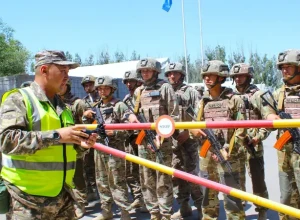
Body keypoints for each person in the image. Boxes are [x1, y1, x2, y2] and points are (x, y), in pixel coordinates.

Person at [0, 50, 97, 219]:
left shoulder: (64, 107)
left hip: (63, 197)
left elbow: (63, 149)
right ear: (44, 70)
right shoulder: (19, 99)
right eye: (62, 71)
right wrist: (57, 136)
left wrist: (81, 146)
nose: (67, 77)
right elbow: (6, 140)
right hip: (27, 201)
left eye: (68, 72)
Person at [190, 60, 246, 219]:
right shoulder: (203, 101)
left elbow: (241, 129)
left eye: (211, 75)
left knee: (231, 195)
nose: (207, 79)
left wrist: (228, 149)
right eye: (205, 76)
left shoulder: (234, 99)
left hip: (227, 153)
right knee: (208, 194)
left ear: (221, 77)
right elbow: (194, 124)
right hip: (207, 154)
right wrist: (196, 130)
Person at [126, 58, 179, 220]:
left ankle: (165, 214)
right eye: (142, 71)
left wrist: (161, 135)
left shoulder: (165, 88)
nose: (145, 73)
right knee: (146, 178)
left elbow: (174, 115)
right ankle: (154, 213)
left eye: (148, 70)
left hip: (162, 141)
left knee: (163, 179)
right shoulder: (139, 91)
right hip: (143, 143)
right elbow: (132, 112)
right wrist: (131, 118)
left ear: (155, 72)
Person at [83, 76, 133, 220]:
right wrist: (86, 116)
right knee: (102, 181)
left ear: (112, 89)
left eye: (105, 88)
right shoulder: (96, 107)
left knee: (117, 181)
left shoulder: (119, 105)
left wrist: (115, 132)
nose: (102, 91)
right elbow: (87, 126)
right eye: (99, 89)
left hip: (115, 149)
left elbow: (130, 128)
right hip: (99, 149)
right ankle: (106, 211)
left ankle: (125, 212)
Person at [230, 63, 273, 220]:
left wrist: (257, 138)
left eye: (241, 76)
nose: (238, 79)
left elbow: (268, 120)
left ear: (249, 77)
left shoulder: (258, 95)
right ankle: (238, 208)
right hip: (235, 146)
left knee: (257, 180)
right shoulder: (231, 96)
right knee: (236, 179)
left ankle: (261, 209)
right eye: (235, 76)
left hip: (252, 144)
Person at [164, 62, 203, 219]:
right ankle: (184, 206)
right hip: (171, 141)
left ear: (181, 74)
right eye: (169, 74)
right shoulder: (164, 92)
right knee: (176, 175)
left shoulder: (191, 92)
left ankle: (201, 206)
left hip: (189, 141)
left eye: (175, 73)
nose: (172, 76)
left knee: (192, 174)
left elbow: (200, 115)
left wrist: (188, 132)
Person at [271, 49, 300, 220]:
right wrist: (269, 116)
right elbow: (266, 112)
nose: (284, 70)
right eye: (282, 67)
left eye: (289, 66)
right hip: (284, 153)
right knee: (286, 195)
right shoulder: (278, 93)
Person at [58, 78, 88, 218]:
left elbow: (86, 125)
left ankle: (81, 204)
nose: (60, 88)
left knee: (77, 177)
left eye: (63, 85)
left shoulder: (77, 103)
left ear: (67, 86)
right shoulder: (54, 102)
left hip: (76, 146)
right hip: (59, 145)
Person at [122, 70, 147, 212]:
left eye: (132, 81)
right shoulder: (126, 99)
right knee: (131, 170)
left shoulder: (144, 95)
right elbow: (124, 114)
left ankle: (148, 199)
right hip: (131, 138)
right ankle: (138, 198)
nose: (129, 84)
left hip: (144, 138)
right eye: (127, 82)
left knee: (146, 171)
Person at [81, 75, 100, 201]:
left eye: (90, 84)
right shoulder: (83, 101)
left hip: (101, 136)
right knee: (87, 164)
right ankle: (92, 190)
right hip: (88, 135)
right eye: (86, 85)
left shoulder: (102, 98)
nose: (88, 87)